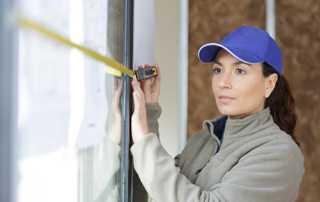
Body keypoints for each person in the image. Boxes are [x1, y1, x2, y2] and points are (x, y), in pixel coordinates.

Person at [130, 26, 304, 202]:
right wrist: (149, 113)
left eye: (240, 71)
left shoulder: (280, 153)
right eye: (218, 70)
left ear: (269, 84)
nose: (223, 82)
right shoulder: (205, 138)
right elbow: (162, 192)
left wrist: (145, 141)